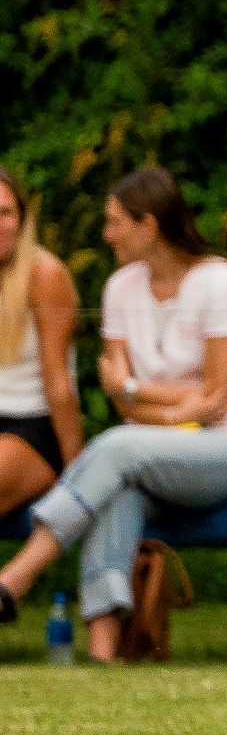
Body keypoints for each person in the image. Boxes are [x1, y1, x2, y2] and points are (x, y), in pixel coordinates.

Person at [0, 166, 227, 661]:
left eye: (114, 223)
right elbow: (124, 402)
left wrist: (139, 394)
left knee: (117, 448)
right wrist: (152, 400)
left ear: (148, 225)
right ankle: (105, 655)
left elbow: (215, 402)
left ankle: (16, 578)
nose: (105, 235)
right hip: (146, 450)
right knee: (117, 487)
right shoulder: (121, 289)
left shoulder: (222, 283)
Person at [0, 167, 82, 565]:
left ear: (22, 218)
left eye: (6, 212)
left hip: (33, 429)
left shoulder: (44, 273)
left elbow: (57, 379)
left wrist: (77, 476)